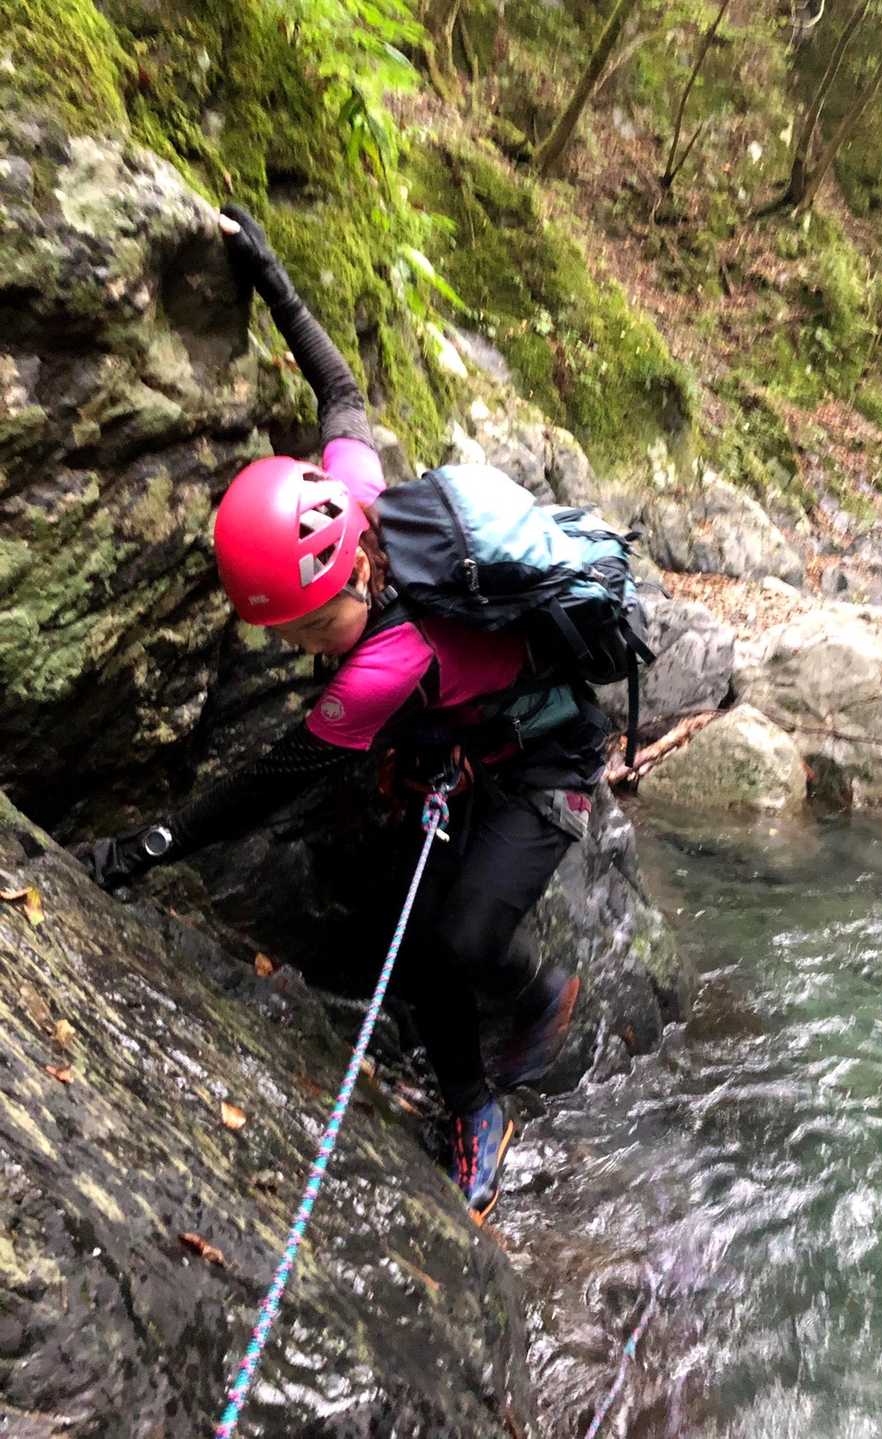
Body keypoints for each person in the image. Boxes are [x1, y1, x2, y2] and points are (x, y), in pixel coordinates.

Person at [79, 206, 608, 1223]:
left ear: (355, 572)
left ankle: (482, 1098)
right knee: (396, 888)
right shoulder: (354, 490)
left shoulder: (379, 669)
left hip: (550, 763)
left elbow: (263, 786)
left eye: (313, 630)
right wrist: (267, 272)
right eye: (288, 635)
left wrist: (140, 850)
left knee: (442, 942)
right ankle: (522, 1001)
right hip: (481, 732)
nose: (302, 650)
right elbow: (339, 388)